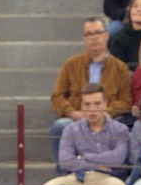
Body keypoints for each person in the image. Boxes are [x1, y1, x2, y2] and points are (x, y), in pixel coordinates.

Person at [39, 84, 130, 185]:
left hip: (105, 178)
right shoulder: (71, 129)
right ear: (81, 106)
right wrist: (102, 161)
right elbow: (65, 161)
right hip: (76, 177)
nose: (92, 109)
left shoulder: (120, 129)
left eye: (97, 103)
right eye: (87, 104)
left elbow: (117, 159)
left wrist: (84, 157)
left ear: (105, 104)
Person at [50, 19, 132, 170]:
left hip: (108, 120)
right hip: (77, 121)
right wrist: (73, 113)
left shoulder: (120, 68)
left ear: (107, 35)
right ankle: (65, 174)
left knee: (122, 129)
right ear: (84, 39)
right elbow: (57, 97)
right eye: (88, 34)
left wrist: (107, 112)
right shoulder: (71, 65)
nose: (93, 38)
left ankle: (108, 172)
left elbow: (126, 100)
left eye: (97, 33)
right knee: (60, 126)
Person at [110, 0, 141, 71]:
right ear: (129, 11)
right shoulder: (119, 38)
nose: (138, 9)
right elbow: (117, 67)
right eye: (135, 6)